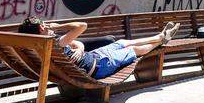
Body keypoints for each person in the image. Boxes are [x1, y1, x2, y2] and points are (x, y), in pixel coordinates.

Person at [18, 17, 179, 79]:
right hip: (100, 65)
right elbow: (82, 25)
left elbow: (77, 43)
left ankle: (160, 37)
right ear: (41, 29)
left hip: (95, 56)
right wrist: (59, 25)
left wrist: (80, 49)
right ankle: (161, 40)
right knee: (133, 50)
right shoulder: (54, 43)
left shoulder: (44, 46)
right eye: (44, 25)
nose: (48, 25)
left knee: (123, 42)